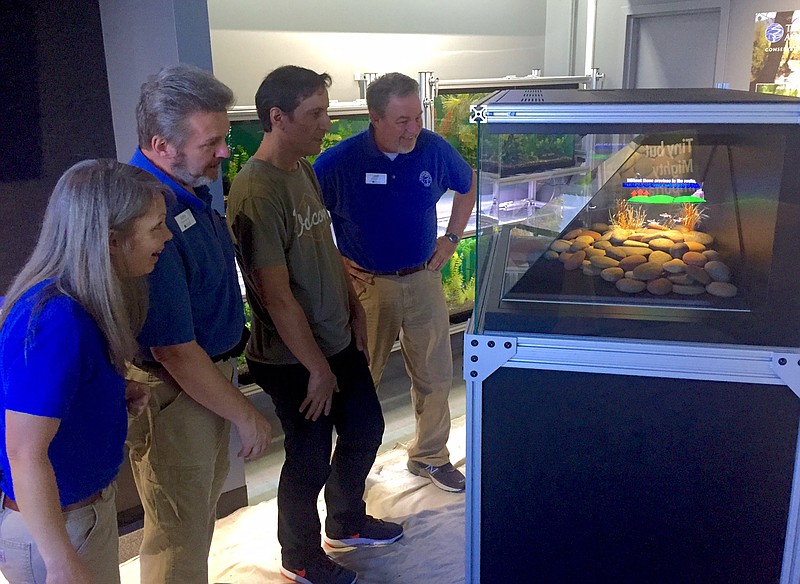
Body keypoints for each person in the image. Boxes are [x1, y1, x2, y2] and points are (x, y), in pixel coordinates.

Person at [226, 65, 403, 584]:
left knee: (366, 425)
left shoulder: (302, 169)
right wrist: (317, 370)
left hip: (334, 339)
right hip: (292, 357)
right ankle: (300, 556)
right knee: (307, 457)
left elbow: (326, 247)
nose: (327, 124)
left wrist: (352, 309)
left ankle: (345, 519)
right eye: (315, 114)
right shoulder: (256, 191)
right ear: (277, 118)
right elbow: (275, 296)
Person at [126, 63, 272, 583]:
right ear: (161, 144)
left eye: (224, 138)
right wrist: (246, 414)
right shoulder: (147, 213)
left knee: (193, 525)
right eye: (212, 142)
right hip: (177, 391)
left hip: (205, 382)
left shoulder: (187, 191)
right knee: (177, 536)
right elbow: (173, 349)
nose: (225, 152)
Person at [0, 159, 173, 584]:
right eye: (155, 227)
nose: (167, 237)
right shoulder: (56, 319)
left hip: (80, 517)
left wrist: (110, 397)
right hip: (61, 529)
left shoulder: (76, 305)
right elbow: (24, 450)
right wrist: (60, 561)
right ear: (112, 240)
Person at [313, 72, 477, 493]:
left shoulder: (432, 149)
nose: (413, 129)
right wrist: (335, 262)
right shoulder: (339, 162)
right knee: (361, 378)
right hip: (368, 287)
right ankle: (351, 469)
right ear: (375, 118)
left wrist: (452, 238)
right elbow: (306, 219)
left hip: (422, 278)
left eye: (418, 116)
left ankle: (430, 457)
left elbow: (467, 181)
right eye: (402, 121)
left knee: (435, 374)